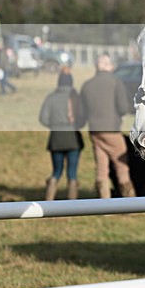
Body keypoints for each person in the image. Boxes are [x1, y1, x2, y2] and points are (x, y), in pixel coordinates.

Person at [80, 54, 135, 199]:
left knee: (101, 168)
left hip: (95, 131)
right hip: (112, 130)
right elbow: (123, 108)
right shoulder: (116, 82)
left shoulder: (87, 85)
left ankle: (104, 203)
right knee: (122, 165)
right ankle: (130, 202)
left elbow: (82, 112)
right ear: (109, 66)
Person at [39, 68, 85, 200]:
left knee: (56, 172)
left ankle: (49, 201)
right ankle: (72, 205)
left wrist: (54, 125)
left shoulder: (51, 97)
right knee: (72, 174)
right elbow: (82, 118)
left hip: (56, 139)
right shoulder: (76, 98)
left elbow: (43, 118)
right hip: (73, 139)